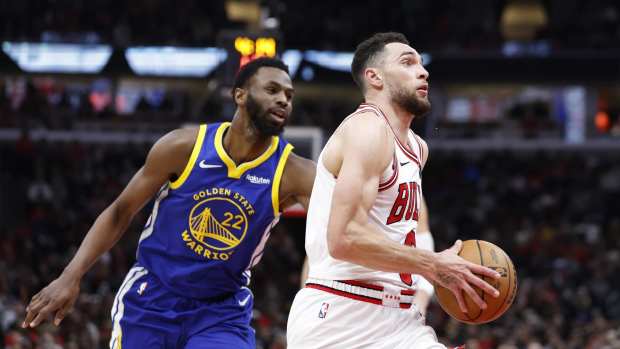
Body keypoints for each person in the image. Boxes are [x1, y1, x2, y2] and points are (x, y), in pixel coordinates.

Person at [23, 57, 316, 348]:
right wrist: (70, 277)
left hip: (221, 310)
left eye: (289, 95)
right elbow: (120, 211)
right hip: (152, 297)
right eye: (272, 90)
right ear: (240, 95)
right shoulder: (183, 147)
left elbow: (331, 235)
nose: (283, 100)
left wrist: (312, 297)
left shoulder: (295, 172)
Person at [286, 32, 501, 349]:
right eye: (408, 62)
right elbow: (343, 238)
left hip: (399, 317)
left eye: (422, 64)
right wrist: (432, 264)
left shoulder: (417, 148)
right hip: (343, 317)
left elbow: (402, 233)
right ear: (374, 77)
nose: (423, 71)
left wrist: (427, 283)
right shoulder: (367, 129)